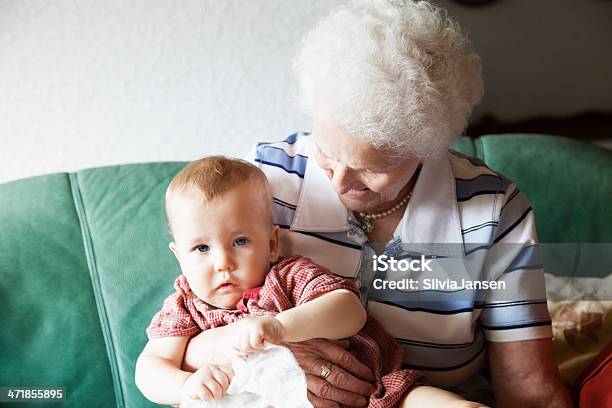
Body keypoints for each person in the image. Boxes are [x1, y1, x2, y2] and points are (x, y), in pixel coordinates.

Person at [182, 1, 572, 407]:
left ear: (428, 146)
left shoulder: (492, 212)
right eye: (328, 153)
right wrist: (268, 350)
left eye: (370, 168)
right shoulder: (263, 181)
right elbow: (178, 340)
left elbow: (531, 390)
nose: (338, 179)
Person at [135, 156, 486, 407]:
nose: (223, 262)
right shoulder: (185, 305)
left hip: (366, 394)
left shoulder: (288, 276)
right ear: (179, 257)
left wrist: (279, 326)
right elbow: (150, 369)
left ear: (272, 244)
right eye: (201, 248)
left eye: (240, 242)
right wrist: (186, 384)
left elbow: (349, 311)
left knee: (409, 397)